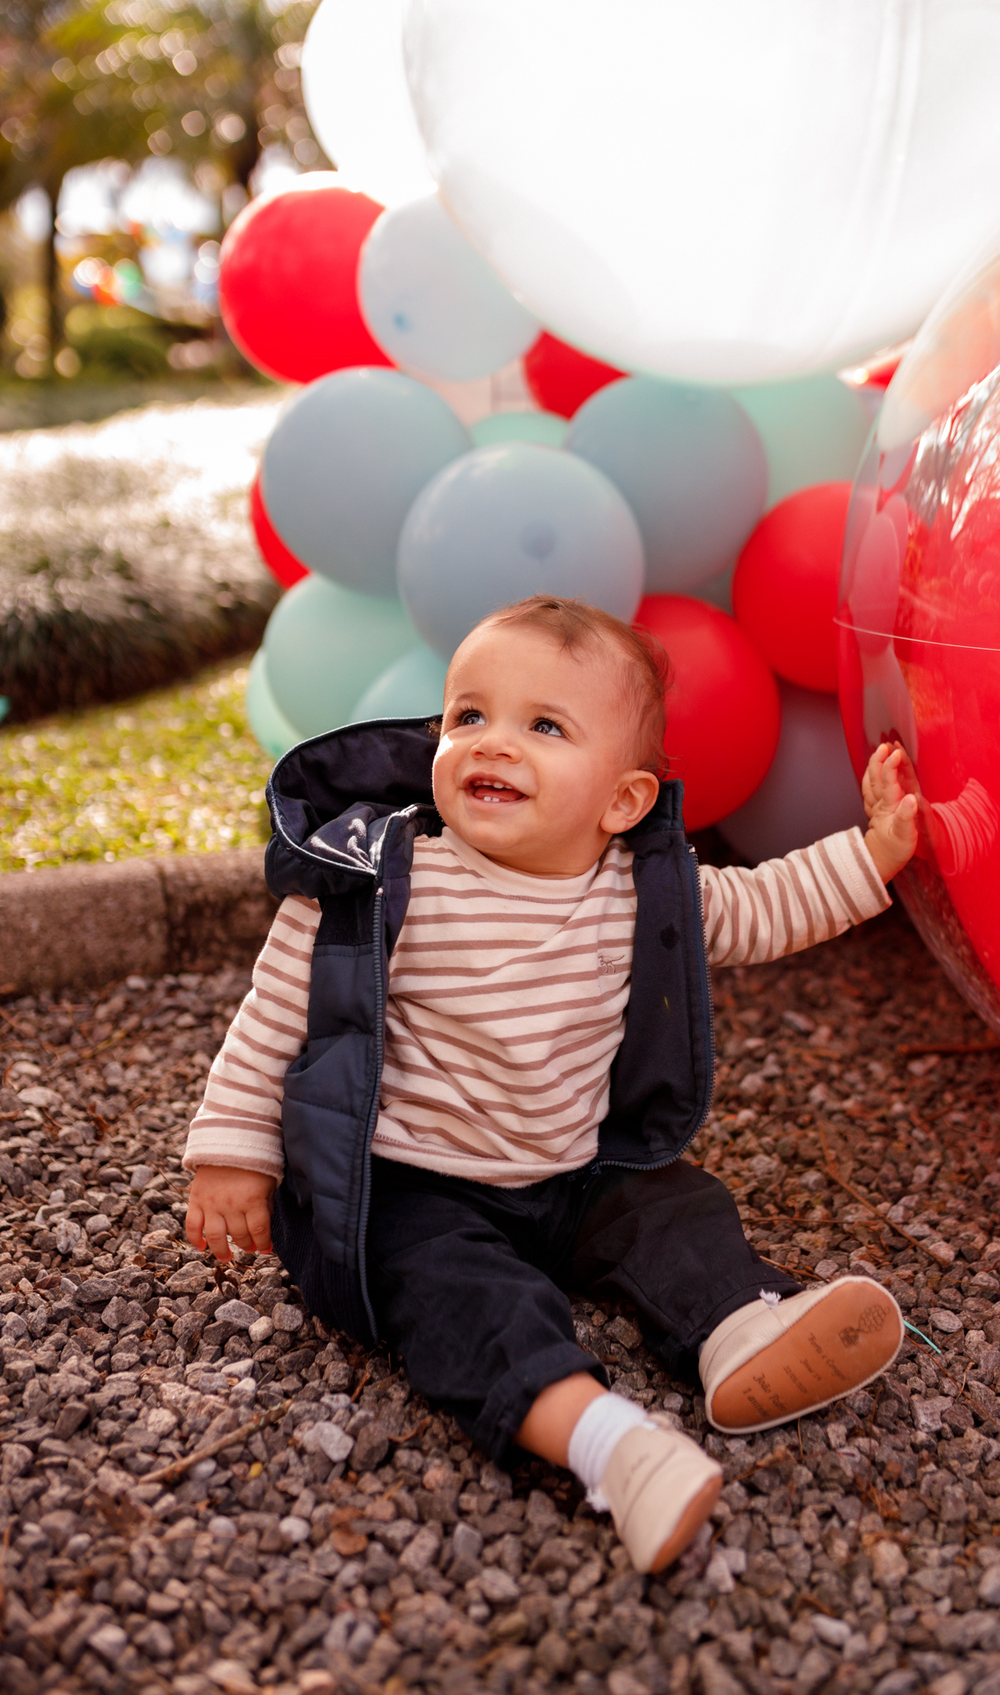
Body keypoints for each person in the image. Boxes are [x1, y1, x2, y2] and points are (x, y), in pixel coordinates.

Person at [183, 595, 919, 1574]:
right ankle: (613, 1448)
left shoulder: (637, 889)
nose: (493, 745)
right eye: (468, 717)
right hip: (415, 1184)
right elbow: (276, 1016)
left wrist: (870, 856)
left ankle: (739, 1330)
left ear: (621, 802)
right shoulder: (390, 881)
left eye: (544, 726)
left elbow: (761, 909)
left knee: (674, 1210)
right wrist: (233, 1152)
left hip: (569, 1169)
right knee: (457, 1299)